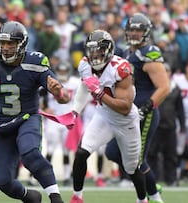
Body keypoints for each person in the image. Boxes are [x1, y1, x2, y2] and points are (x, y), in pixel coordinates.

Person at [0, 21, 69, 203]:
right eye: (3, 43)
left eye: (11, 44)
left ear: (21, 45)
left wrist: (58, 93)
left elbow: (63, 96)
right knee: (4, 181)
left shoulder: (35, 62)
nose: (6, 48)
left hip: (27, 118)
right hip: (2, 126)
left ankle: (55, 197)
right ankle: (29, 197)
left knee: (30, 152)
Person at [52, 29, 148, 203]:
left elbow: (125, 107)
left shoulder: (120, 68)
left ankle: (142, 200)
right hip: (103, 115)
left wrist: (99, 94)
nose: (95, 54)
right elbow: (84, 86)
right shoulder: (85, 64)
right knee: (81, 153)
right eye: (92, 49)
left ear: (109, 50)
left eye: (99, 49)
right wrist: (75, 111)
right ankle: (77, 197)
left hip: (125, 121)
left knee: (132, 168)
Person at [105, 13, 169, 203]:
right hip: (126, 112)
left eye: (138, 30)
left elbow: (164, 86)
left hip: (144, 113)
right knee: (113, 152)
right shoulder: (125, 52)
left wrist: (148, 106)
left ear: (146, 32)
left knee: (137, 160)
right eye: (131, 29)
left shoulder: (149, 53)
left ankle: (155, 197)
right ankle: (151, 184)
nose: (134, 33)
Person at [148, 63, 185, 186]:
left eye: (167, 71)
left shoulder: (175, 88)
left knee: (170, 155)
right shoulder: (153, 87)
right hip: (155, 126)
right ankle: (151, 179)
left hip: (170, 125)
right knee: (151, 153)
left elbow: (180, 109)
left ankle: (171, 179)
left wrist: (182, 125)